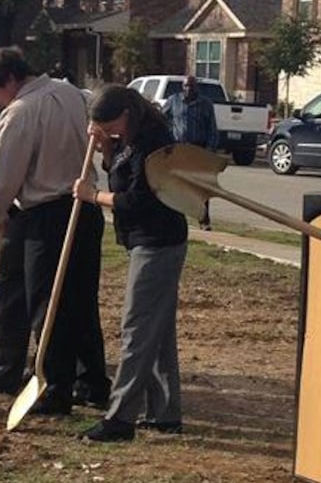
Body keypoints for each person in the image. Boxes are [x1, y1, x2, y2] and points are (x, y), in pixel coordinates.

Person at [0, 46, 108, 415]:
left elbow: (5, 173)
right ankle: (92, 381)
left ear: (10, 81)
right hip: (84, 209)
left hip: (46, 214)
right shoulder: (74, 94)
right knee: (81, 300)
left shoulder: (19, 112)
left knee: (47, 305)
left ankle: (55, 386)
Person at [73, 85, 188, 442]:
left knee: (137, 328)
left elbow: (137, 199)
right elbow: (118, 172)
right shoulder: (129, 136)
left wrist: (93, 196)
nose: (108, 132)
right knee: (158, 330)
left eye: (110, 126)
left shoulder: (154, 140)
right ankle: (165, 412)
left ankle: (120, 418)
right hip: (142, 241)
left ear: (126, 113)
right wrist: (105, 146)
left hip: (160, 242)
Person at [162, 75, 218, 229]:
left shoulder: (205, 104)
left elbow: (212, 129)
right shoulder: (174, 101)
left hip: (198, 149)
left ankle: (204, 220)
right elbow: (161, 119)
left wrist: (209, 151)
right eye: (186, 86)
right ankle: (175, 220)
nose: (188, 89)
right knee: (176, 185)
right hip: (179, 149)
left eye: (191, 86)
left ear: (196, 88)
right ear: (182, 87)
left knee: (201, 186)